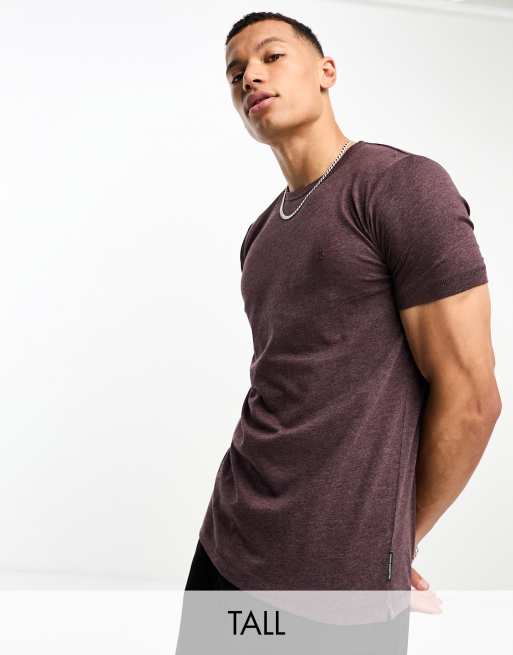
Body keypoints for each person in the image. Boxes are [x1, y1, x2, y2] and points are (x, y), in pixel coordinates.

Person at [187, 11, 501, 594]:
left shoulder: (400, 187)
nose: (250, 77)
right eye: (235, 74)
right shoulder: (259, 236)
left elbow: (473, 400)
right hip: (227, 545)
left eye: (271, 56)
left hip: (341, 575)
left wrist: (394, 540)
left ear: (326, 71)